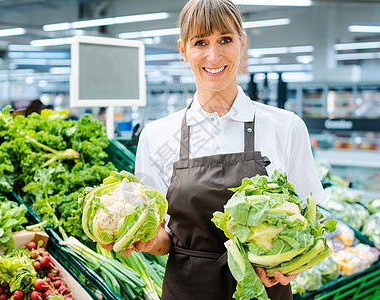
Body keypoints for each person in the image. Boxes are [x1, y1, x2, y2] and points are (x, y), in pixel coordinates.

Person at [103, 0, 326, 299]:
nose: (213, 55)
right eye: (200, 42)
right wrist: (140, 239)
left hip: (266, 288)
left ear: (242, 44)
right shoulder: (156, 136)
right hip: (187, 290)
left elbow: (313, 220)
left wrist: (297, 263)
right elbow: (163, 237)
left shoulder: (286, 127)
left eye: (225, 40)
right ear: (183, 50)